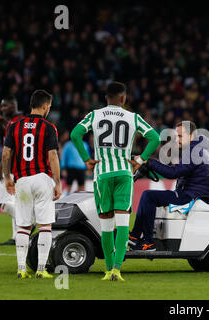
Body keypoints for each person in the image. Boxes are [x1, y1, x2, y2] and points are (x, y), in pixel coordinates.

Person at [70, 81, 161, 281]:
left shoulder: (95, 115)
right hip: (124, 173)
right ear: (123, 98)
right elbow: (155, 137)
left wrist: (86, 159)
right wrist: (140, 159)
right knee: (122, 223)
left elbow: (75, 134)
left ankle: (108, 268)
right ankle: (117, 270)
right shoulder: (133, 117)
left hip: (102, 173)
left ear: (106, 98)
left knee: (106, 225)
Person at [1, 90, 61, 279]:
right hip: (42, 178)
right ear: (44, 106)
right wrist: (57, 182)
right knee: (45, 226)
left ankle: (21, 268)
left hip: (22, 181)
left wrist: (7, 178)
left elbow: (5, 154)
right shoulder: (49, 127)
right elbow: (52, 156)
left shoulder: (14, 126)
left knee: (23, 226)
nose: (48, 110)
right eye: (49, 107)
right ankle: (41, 269)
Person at [128, 121, 209, 251]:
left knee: (149, 196)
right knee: (149, 196)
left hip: (192, 196)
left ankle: (147, 241)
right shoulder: (196, 149)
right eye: (176, 136)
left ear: (192, 135)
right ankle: (136, 237)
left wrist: (150, 162)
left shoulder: (195, 151)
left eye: (180, 136)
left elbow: (174, 173)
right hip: (192, 194)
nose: (176, 140)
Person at [0, 96, 24, 246]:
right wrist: (2, 121)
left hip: (11, 167)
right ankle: (16, 236)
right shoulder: (14, 121)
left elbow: (12, 148)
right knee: (13, 201)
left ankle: (25, 224)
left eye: (5, 106)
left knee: (1, 201)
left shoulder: (17, 121)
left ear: (13, 106)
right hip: (16, 166)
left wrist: (1, 169)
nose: (2, 109)